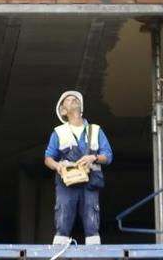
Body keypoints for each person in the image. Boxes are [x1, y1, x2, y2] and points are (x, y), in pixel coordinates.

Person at [43, 90, 113, 246]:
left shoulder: (95, 130)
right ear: (63, 111)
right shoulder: (59, 132)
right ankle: (59, 249)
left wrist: (93, 157)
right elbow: (48, 158)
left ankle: (94, 249)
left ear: (81, 107)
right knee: (64, 213)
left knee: (91, 216)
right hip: (67, 181)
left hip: (91, 181)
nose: (72, 100)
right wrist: (57, 166)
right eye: (68, 100)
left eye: (75, 99)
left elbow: (108, 156)